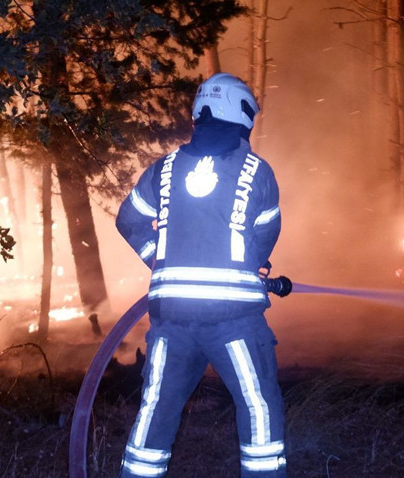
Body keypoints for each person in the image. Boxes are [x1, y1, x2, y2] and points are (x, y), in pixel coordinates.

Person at [115, 72, 286, 478]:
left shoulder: (164, 169)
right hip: (235, 320)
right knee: (258, 407)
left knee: (156, 410)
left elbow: (128, 220)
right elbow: (266, 233)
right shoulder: (257, 171)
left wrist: (158, 258)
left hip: (171, 317)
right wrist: (251, 265)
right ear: (241, 113)